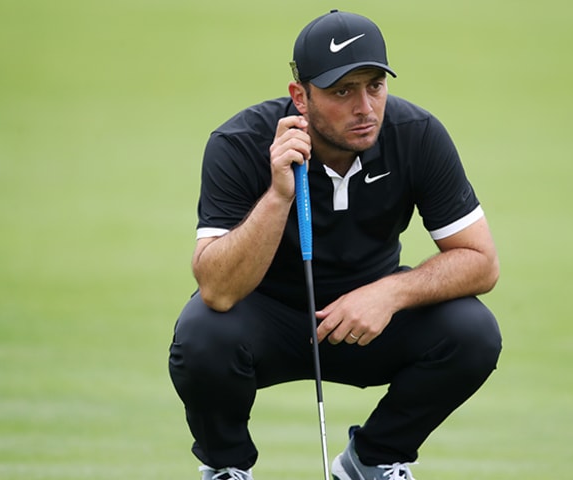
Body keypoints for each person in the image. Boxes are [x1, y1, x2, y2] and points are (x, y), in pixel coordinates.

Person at [168, 9, 502, 480]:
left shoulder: (416, 136)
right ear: (300, 97)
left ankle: (374, 459)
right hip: (268, 318)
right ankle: (226, 468)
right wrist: (279, 194)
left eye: (374, 86)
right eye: (341, 91)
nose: (364, 107)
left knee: (473, 332)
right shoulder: (240, 142)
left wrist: (390, 293)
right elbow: (218, 290)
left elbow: (481, 262)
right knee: (202, 334)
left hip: (368, 320)